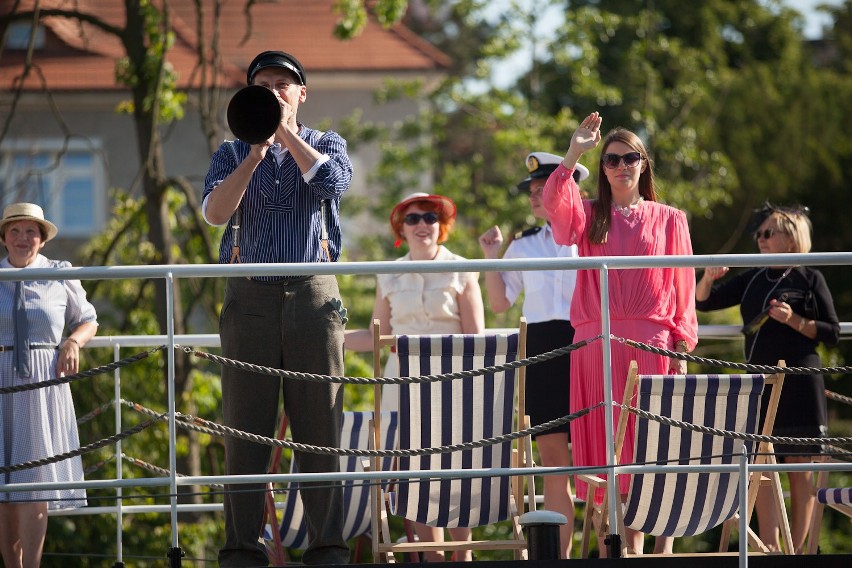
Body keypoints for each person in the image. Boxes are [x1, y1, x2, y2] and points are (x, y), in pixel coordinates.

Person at [202, 50, 353, 566]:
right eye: (263, 85)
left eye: (283, 85)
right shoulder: (231, 150)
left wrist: (285, 132)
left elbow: (334, 184)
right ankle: (242, 549)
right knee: (244, 428)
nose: (273, 91)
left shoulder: (326, 143)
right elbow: (215, 213)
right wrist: (254, 152)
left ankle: (327, 547)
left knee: (319, 427)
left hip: (313, 293)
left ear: (301, 94)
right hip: (250, 296)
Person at [541, 112, 698, 555]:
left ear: (643, 164)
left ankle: (659, 553)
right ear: (603, 167)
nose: (620, 165)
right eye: (611, 159)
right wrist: (574, 152)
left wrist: (683, 345)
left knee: (655, 451)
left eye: (630, 157)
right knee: (608, 458)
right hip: (598, 347)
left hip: (653, 344)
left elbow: (684, 290)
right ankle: (622, 550)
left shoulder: (671, 218)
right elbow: (554, 203)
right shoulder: (588, 215)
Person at [345, 192, 482, 562]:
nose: (423, 224)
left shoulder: (463, 268)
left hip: (452, 381)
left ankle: (463, 554)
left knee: (456, 469)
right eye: (413, 218)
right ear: (401, 229)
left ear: (442, 226)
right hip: (402, 383)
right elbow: (377, 336)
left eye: (430, 217)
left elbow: (476, 340)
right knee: (414, 471)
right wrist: (330, 338)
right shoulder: (388, 272)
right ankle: (434, 557)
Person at [695, 204, 839, 554]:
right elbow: (704, 302)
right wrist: (708, 277)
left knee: (799, 466)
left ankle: (799, 549)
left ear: (791, 240)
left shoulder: (810, 278)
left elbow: (831, 332)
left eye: (768, 233)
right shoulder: (754, 276)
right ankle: (771, 548)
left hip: (802, 380)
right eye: (759, 234)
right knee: (761, 464)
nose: (760, 239)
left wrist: (794, 321)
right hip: (760, 382)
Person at [477, 151, 589, 559]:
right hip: (542, 349)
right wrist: (491, 257)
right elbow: (500, 302)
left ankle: (619, 549)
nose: (536, 197)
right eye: (533, 191)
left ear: (571, 188)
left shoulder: (593, 236)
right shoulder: (523, 245)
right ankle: (559, 557)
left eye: (546, 188)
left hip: (588, 345)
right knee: (555, 465)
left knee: (602, 461)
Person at [0, 202, 98, 568]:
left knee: (33, 483)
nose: (23, 238)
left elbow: (88, 319)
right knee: (4, 487)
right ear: (5, 239)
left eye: (31, 231)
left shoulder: (59, 272)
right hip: (1, 378)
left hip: (42, 382)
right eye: (15, 231)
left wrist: (72, 342)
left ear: (41, 240)